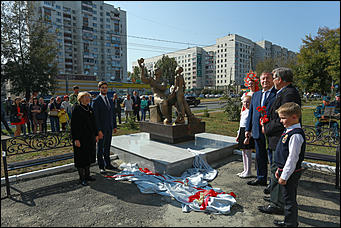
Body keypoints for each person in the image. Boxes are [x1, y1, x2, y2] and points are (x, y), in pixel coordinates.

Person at [258, 67, 301, 216]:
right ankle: (276, 198)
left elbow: (284, 118)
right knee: (275, 169)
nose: (273, 81)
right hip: (277, 137)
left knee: (278, 168)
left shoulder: (289, 93)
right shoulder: (283, 92)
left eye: (274, 78)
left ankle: (277, 204)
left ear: (280, 79)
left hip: (281, 137)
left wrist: (267, 128)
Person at [270, 102, 306, 227]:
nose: (281, 121)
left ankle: (290, 223)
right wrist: (279, 170)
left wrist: (284, 176)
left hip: (291, 173)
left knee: (290, 199)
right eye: (280, 118)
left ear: (295, 117)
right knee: (286, 198)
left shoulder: (295, 135)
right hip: (284, 170)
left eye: (283, 118)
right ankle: (288, 220)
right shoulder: (289, 130)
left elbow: (292, 158)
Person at [245, 72, 277, 186]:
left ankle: (273, 182)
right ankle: (261, 178)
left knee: (272, 157)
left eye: (268, 79)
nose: (265, 81)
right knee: (260, 155)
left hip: (272, 131)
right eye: (263, 79)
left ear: (273, 80)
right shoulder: (256, 95)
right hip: (257, 130)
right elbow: (251, 113)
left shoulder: (277, 94)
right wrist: (248, 129)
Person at [71, 92, 99, 186]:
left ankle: (87, 175)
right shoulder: (77, 108)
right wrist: (76, 139)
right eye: (86, 97)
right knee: (81, 158)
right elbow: (74, 125)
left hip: (89, 137)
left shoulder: (89, 108)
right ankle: (81, 178)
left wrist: (96, 134)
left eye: (89, 97)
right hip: (80, 138)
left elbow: (93, 122)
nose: (88, 99)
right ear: (80, 99)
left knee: (88, 157)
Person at [92, 81, 117, 174]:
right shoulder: (96, 101)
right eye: (102, 87)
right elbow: (96, 118)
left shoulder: (110, 99)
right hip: (101, 130)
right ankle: (101, 166)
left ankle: (108, 164)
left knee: (107, 147)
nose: (104, 89)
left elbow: (112, 114)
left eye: (106, 87)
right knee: (100, 148)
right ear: (99, 89)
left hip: (109, 128)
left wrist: (114, 126)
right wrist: (98, 131)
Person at [236, 95, 255, 178]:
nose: (246, 103)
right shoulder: (243, 112)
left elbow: (251, 125)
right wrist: (238, 134)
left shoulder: (252, 112)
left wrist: (249, 136)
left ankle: (249, 171)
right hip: (242, 131)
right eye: (244, 102)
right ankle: (245, 169)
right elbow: (240, 125)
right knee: (243, 152)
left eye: (248, 102)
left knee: (248, 153)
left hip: (248, 132)